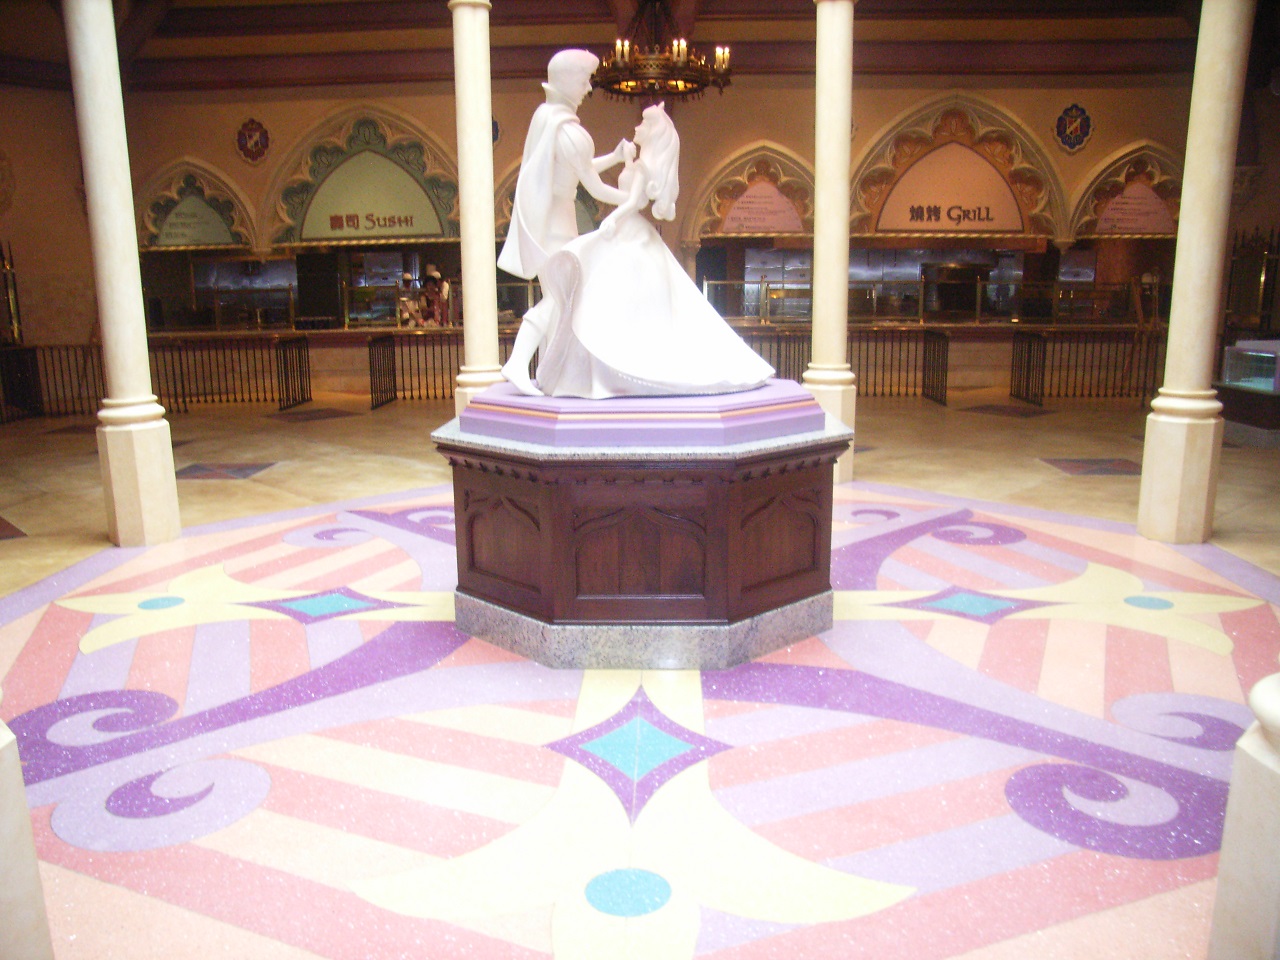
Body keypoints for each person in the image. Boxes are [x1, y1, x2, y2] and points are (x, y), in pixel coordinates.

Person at [520, 103, 774, 398]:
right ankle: (598, 367)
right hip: (629, 230)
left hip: (628, 229)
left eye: (643, 124)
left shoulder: (642, 168)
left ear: (652, 132)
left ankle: (614, 366)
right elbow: (608, 183)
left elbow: (630, 202)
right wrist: (620, 159)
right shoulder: (639, 164)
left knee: (613, 293)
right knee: (606, 293)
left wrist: (613, 216)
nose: (637, 128)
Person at [498, 49, 632, 394]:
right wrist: (633, 199)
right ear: (572, 81)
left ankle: (548, 370)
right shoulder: (571, 132)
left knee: (563, 298)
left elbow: (577, 169)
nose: (589, 89)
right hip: (558, 227)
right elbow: (594, 187)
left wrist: (615, 158)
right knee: (561, 299)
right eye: (586, 80)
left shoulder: (547, 118)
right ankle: (517, 363)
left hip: (554, 221)